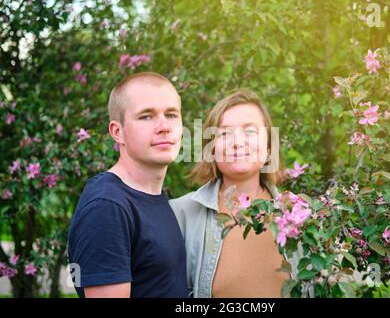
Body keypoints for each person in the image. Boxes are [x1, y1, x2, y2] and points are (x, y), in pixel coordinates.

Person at [68, 72, 188, 298]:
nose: (164, 126)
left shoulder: (154, 197)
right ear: (117, 132)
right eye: (146, 116)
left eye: (171, 114)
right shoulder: (107, 207)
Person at [170, 90, 299, 298]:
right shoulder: (180, 215)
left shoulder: (299, 216)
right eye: (225, 133)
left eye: (250, 131)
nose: (237, 142)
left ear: (268, 147)